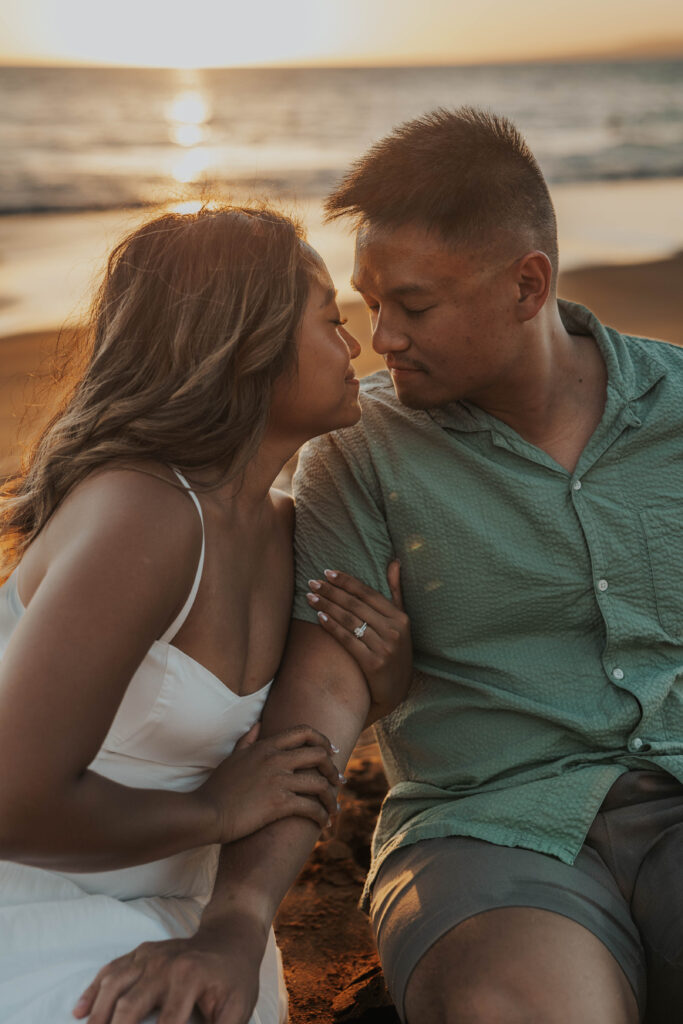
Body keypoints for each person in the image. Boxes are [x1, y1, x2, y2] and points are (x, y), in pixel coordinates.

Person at [77, 108, 683, 1024]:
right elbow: (321, 697)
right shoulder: (358, 451)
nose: (381, 338)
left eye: (413, 305)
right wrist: (237, 921)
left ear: (528, 287)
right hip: (487, 830)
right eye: (366, 302)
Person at [0, 203, 411, 1024]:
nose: (356, 345)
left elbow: (295, 750)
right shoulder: (141, 512)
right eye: (331, 319)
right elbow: (9, 801)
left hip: (195, 921)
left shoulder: (290, 526)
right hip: (32, 918)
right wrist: (214, 812)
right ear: (251, 346)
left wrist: (386, 683)